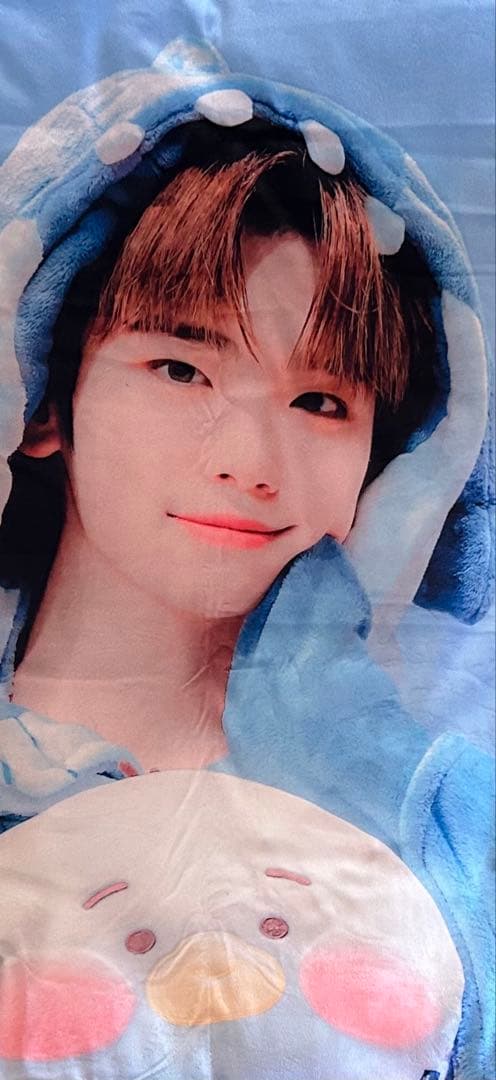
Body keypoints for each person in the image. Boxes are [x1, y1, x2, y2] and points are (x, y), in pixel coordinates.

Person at [0, 38, 493, 1078]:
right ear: (43, 399)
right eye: (181, 368)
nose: (252, 462)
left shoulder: (436, 805)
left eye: (321, 401)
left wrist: (368, 757)